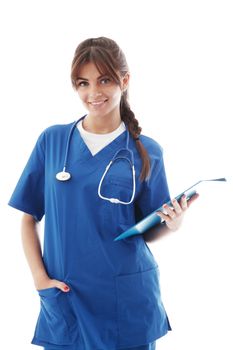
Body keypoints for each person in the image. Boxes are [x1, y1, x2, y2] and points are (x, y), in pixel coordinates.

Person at [8, 37, 198, 350]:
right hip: (67, 298)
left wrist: (174, 224)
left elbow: (150, 229)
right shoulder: (53, 141)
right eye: (83, 83)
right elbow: (28, 216)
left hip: (127, 299)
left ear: (124, 80)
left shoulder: (146, 151)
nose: (93, 93)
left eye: (104, 80)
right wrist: (40, 280)